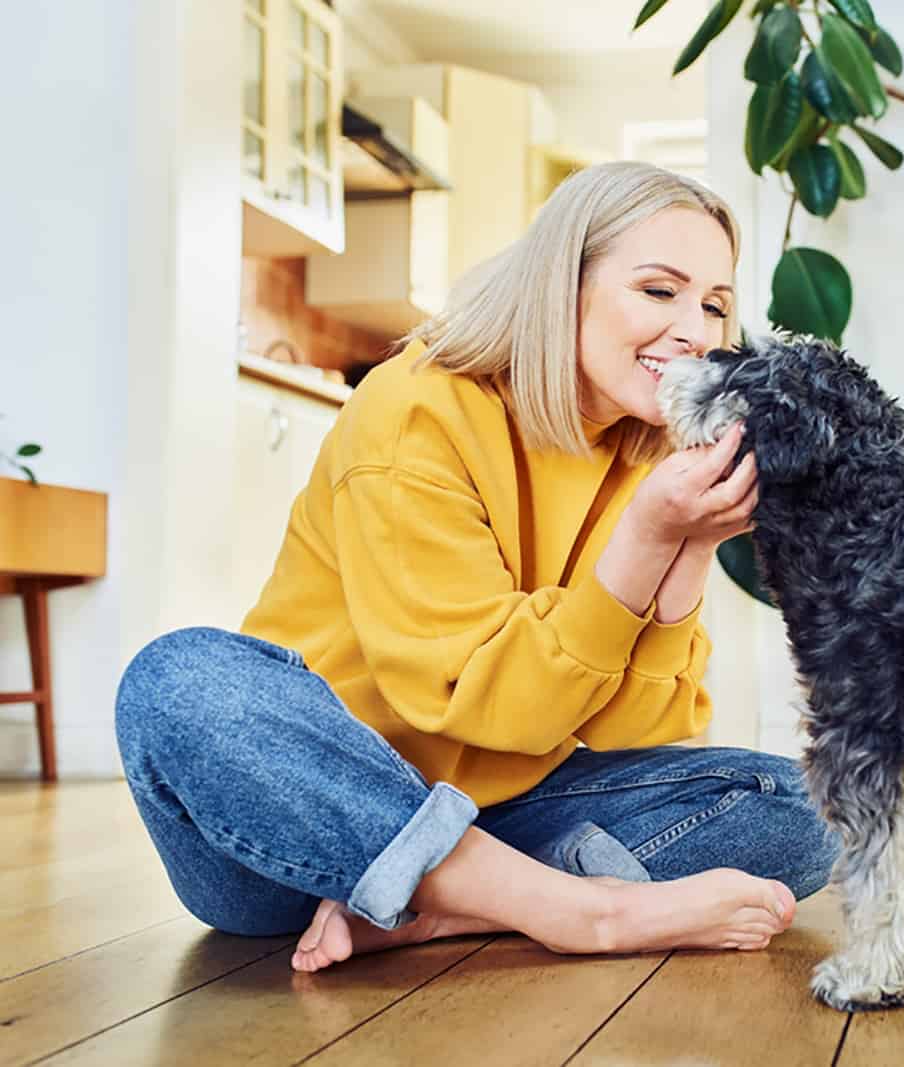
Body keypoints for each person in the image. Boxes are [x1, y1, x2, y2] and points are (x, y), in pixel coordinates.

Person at [114, 162, 838, 973]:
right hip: (301, 830)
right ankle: (576, 909)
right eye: (659, 291)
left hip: (505, 816)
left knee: (808, 811)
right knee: (177, 682)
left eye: (714, 305)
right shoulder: (413, 412)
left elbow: (637, 735)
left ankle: (443, 909)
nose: (696, 332)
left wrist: (693, 544)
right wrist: (643, 537)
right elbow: (474, 699)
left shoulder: (651, 450)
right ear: (564, 285)